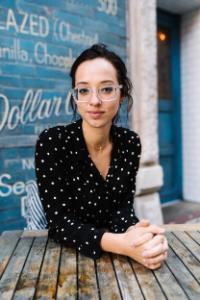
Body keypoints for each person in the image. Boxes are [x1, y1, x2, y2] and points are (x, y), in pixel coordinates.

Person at [35, 43, 168, 269]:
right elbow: (59, 223)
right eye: (84, 90)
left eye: (106, 89)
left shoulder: (130, 142)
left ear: (121, 94)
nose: (94, 101)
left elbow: (122, 210)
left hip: (116, 261)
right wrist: (122, 245)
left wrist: (140, 235)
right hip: (63, 260)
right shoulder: (53, 142)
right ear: (75, 96)